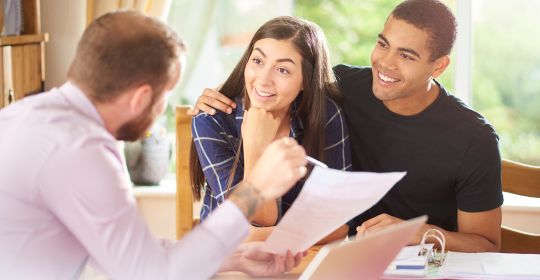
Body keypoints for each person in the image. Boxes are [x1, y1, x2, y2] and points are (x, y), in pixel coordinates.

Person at [0, 11, 308, 279]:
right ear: (141, 98)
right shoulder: (81, 150)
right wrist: (253, 191)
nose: (163, 109)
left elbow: (130, 256)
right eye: (166, 96)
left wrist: (237, 259)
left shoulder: (28, 115)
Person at [188, 0, 503, 253]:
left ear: (439, 65)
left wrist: (415, 231)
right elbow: (271, 82)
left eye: (406, 56)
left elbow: (487, 243)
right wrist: (219, 102)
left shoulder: (474, 139)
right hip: (333, 255)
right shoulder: (342, 90)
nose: (385, 63)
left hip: (416, 262)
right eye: (383, 44)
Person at [189, 16, 351, 241]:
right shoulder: (212, 120)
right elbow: (256, 218)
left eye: (283, 70)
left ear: (306, 80)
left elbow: (339, 224)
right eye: (257, 61)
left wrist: (259, 236)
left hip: (300, 259)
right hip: (227, 263)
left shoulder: (324, 115)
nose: (263, 80)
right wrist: (257, 146)